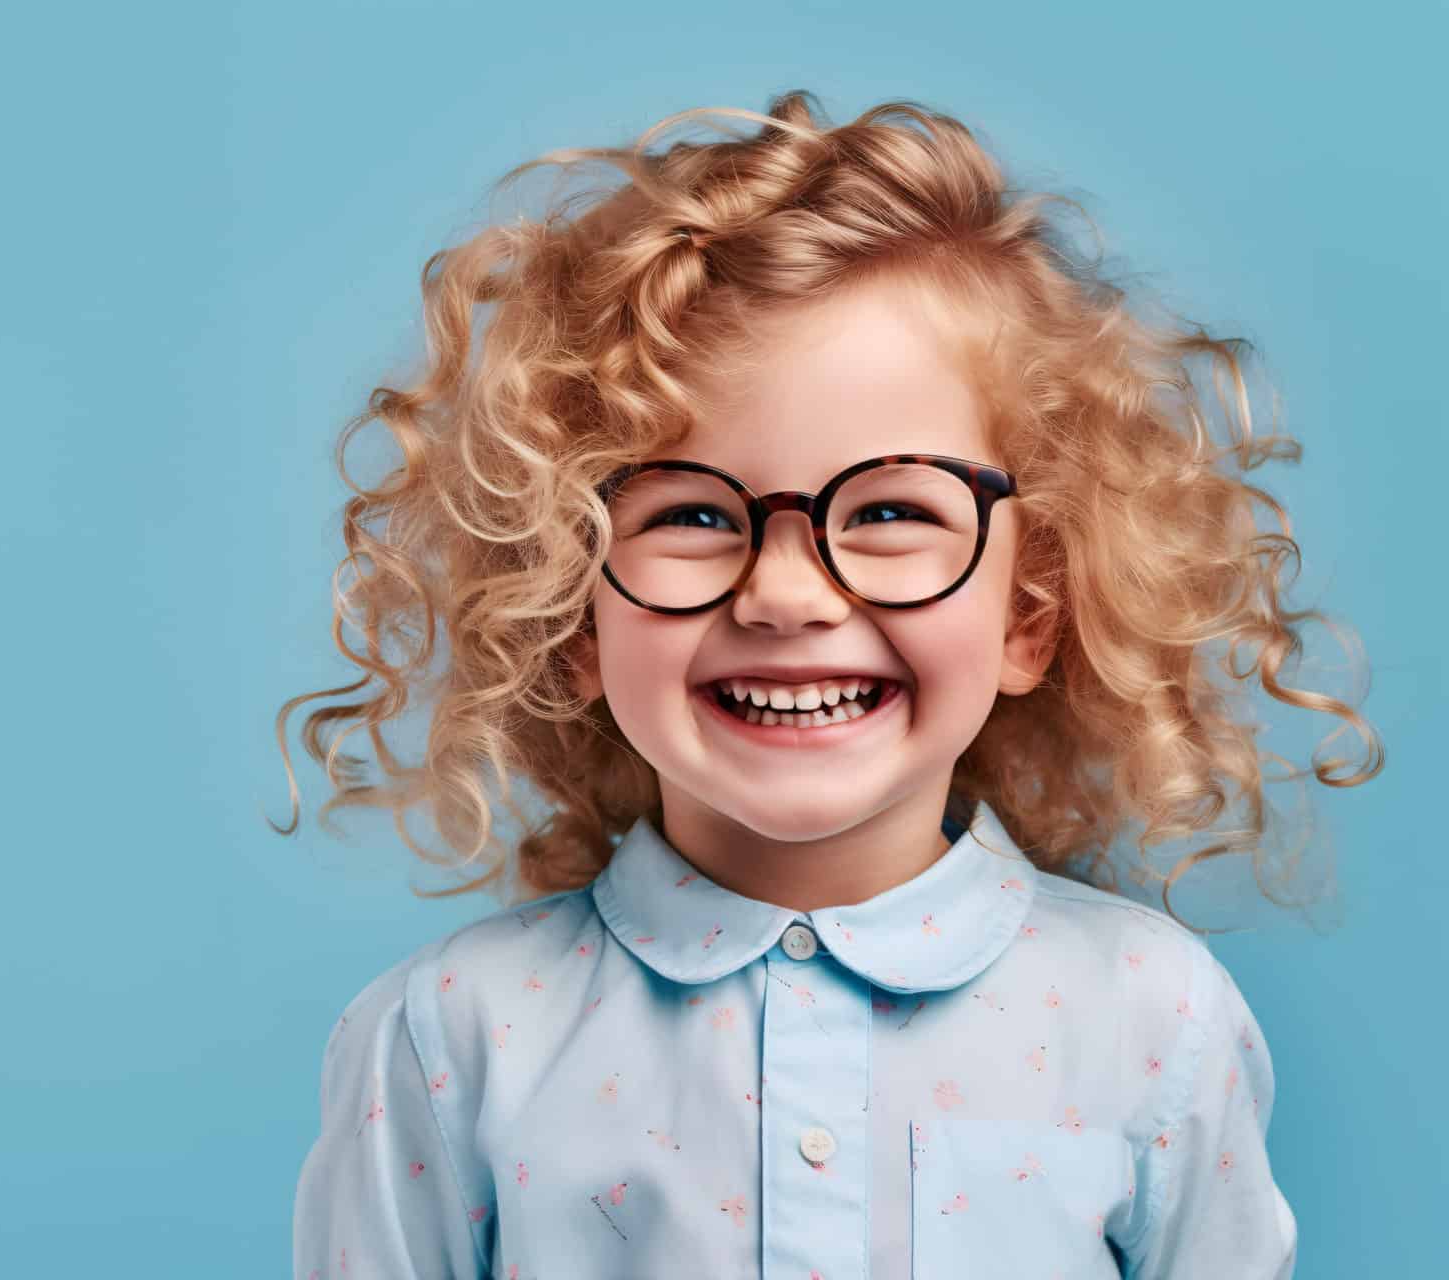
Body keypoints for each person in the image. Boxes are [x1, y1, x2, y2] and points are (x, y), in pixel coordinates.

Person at [273, 90, 1383, 1279]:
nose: (788, 594)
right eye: (693, 513)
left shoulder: (1151, 1017)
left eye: (896, 510)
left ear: (1028, 609)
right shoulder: (450, 1037)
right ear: (568, 605)